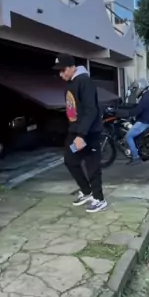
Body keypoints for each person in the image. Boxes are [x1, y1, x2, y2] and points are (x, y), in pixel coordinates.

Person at [55, 53, 107, 213]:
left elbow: (91, 110)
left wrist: (81, 135)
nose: (61, 74)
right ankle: (87, 192)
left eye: (63, 70)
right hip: (76, 132)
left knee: (92, 165)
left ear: (72, 67)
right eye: (59, 71)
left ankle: (99, 199)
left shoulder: (84, 81)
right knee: (70, 160)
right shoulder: (71, 83)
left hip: (88, 133)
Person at [120, 78, 149, 165]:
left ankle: (135, 158)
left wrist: (127, 114)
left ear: (141, 87)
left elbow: (139, 110)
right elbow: (139, 107)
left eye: (136, 88)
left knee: (128, 136)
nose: (135, 90)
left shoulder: (146, 97)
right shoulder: (148, 95)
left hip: (145, 122)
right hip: (147, 120)